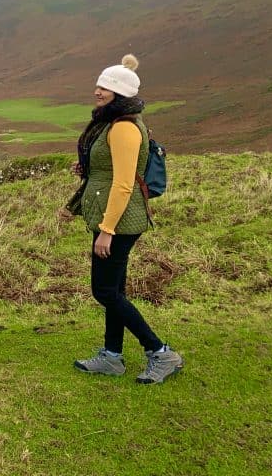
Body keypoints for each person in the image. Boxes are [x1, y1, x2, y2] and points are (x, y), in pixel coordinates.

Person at [64, 54, 183, 384]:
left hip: (118, 221)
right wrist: (87, 168)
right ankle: (112, 356)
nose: (97, 91)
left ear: (120, 94)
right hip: (112, 218)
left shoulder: (125, 129)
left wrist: (107, 230)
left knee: (104, 291)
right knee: (113, 290)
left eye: (105, 87)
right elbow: (109, 168)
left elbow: (123, 183)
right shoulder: (113, 124)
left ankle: (160, 352)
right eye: (98, 84)